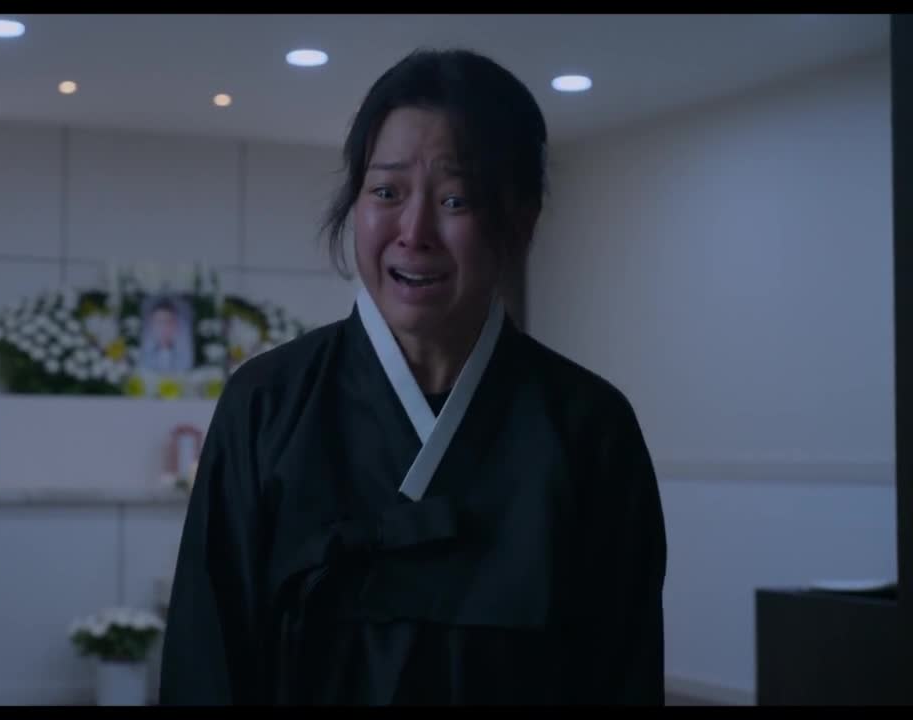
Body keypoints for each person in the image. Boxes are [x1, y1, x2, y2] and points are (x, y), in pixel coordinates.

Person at [158, 47, 666, 705]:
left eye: (456, 198)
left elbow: (622, 673)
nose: (414, 231)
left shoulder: (589, 427)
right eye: (386, 192)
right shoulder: (266, 404)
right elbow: (206, 659)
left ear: (521, 218)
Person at [138, 296, 194, 374]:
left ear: (176, 325)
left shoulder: (185, 358)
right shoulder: (143, 358)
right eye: (159, 322)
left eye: (169, 321)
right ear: (152, 325)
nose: (164, 327)